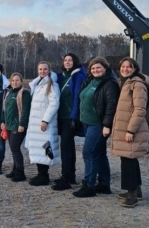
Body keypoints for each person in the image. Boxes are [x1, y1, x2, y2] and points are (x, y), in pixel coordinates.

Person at [73, 57, 120, 198]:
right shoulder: (90, 81)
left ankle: (89, 185)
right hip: (87, 123)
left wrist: (107, 125)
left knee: (89, 153)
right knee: (100, 154)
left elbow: (111, 106)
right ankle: (104, 184)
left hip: (98, 124)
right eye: (93, 68)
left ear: (105, 68)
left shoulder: (110, 84)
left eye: (98, 67)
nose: (96, 70)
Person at [111, 57, 149, 208]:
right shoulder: (126, 83)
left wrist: (130, 130)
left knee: (128, 162)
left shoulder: (137, 85)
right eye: (123, 66)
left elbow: (140, 109)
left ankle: (131, 195)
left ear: (135, 69)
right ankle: (137, 191)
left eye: (129, 67)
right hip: (125, 128)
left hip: (131, 129)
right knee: (130, 159)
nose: (125, 69)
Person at [52, 53, 87, 191]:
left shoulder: (78, 76)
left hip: (70, 117)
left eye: (70, 60)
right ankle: (70, 175)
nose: (67, 62)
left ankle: (66, 178)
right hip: (60, 116)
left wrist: (74, 117)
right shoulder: (61, 77)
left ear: (75, 61)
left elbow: (77, 98)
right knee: (67, 146)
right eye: (65, 60)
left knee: (66, 147)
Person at [25, 62, 61, 186]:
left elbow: (54, 104)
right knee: (37, 149)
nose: (42, 71)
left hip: (45, 124)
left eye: (45, 69)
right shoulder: (37, 84)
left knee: (44, 148)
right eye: (40, 69)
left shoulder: (52, 85)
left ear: (49, 70)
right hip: (35, 123)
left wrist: (45, 120)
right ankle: (41, 173)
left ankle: (44, 175)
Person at [0, 73, 31, 182]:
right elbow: (5, 109)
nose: (15, 82)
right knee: (13, 149)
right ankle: (15, 170)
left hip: (18, 126)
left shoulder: (24, 93)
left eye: (17, 80)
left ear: (21, 82)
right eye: (13, 80)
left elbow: (25, 110)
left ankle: (21, 172)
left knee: (15, 148)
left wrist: (22, 124)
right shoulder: (9, 93)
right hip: (9, 125)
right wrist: (3, 121)